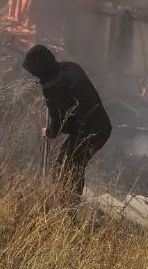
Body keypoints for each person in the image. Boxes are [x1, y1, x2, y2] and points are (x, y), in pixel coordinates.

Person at [22, 44, 112, 199]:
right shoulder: (71, 67)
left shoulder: (52, 86)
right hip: (100, 124)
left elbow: (59, 121)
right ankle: (67, 203)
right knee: (69, 164)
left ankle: (68, 208)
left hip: (89, 131)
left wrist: (49, 132)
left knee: (68, 168)